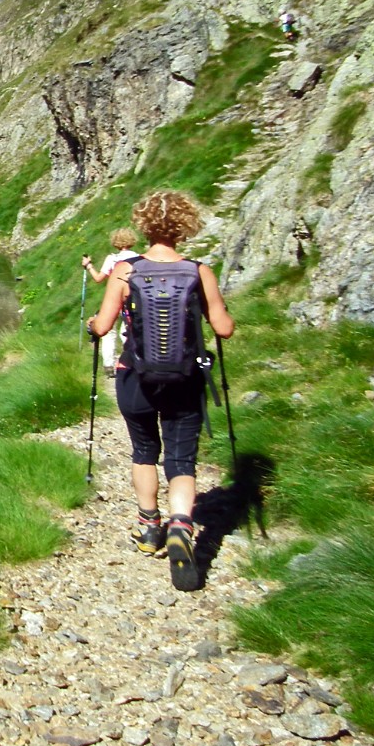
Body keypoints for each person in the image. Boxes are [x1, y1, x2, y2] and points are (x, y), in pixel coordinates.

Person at [88, 191, 234, 591]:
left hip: (135, 375)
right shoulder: (199, 271)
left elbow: (102, 327)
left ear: (143, 225)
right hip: (184, 377)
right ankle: (182, 526)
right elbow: (223, 328)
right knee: (182, 458)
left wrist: (90, 325)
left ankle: (150, 527)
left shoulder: (125, 270)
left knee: (144, 450)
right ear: (185, 227)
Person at [82, 228, 139, 375]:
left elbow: (99, 278)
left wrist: (88, 266)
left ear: (115, 242)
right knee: (128, 330)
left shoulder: (112, 259)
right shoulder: (139, 258)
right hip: (132, 299)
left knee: (108, 331)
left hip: (114, 298)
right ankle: (131, 360)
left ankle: (109, 366)